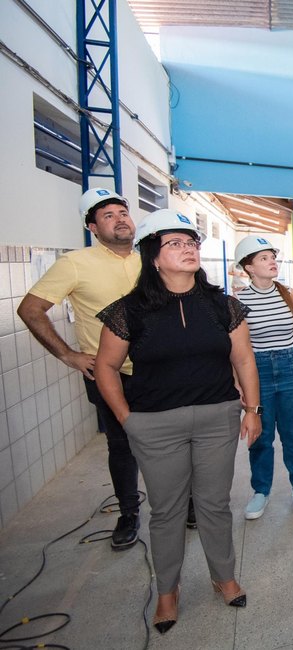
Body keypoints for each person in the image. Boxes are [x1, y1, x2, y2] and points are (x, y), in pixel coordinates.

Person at [93, 209, 261, 634]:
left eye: (192, 243)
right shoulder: (129, 310)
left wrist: (252, 410)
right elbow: (106, 367)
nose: (188, 249)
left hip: (216, 419)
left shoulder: (223, 305)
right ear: (153, 255)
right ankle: (167, 591)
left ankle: (223, 576)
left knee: (214, 505)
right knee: (166, 511)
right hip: (154, 423)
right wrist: (126, 418)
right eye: (176, 243)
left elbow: (243, 358)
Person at [17, 188, 143, 550]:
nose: (120, 219)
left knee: (173, 439)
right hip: (110, 373)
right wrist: (68, 355)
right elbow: (30, 309)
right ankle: (129, 513)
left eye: (122, 212)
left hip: (158, 369)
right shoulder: (75, 263)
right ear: (92, 226)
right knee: (122, 446)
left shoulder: (149, 259)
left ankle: (187, 504)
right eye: (108, 215)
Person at [234, 236, 293, 518]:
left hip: (292, 366)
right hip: (256, 370)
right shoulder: (237, 301)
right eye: (263, 258)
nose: (272, 261)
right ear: (248, 267)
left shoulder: (289, 293)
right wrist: (237, 381)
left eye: (272, 256)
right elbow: (236, 347)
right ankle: (261, 491)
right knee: (260, 434)